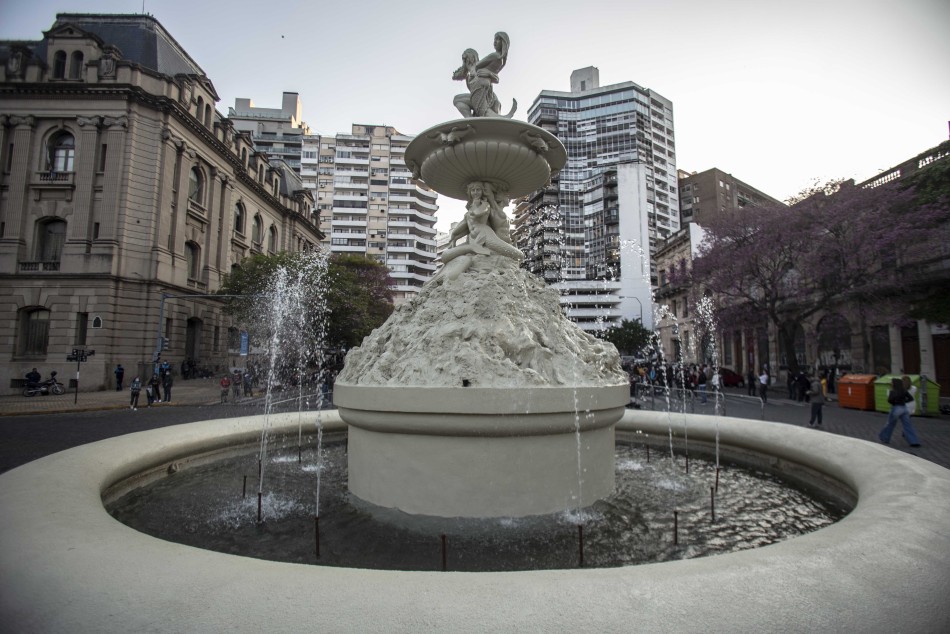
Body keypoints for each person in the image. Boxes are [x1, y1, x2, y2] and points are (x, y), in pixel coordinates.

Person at [452, 32, 516, 119]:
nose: (495, 42)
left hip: (480, 87)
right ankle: (471, 120)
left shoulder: (494, 56)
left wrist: (468, 68)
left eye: (498, 39)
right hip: (485, 89)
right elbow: (496, 79)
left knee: (457, 100)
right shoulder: (500, 61)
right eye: (495, 39)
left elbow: (477, 66)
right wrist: (489, 74)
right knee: (482, 112)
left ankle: (470, 120)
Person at [878, 377, 921, 447]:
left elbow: (890, 400)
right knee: (908, 425)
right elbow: (911, 398)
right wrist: (904, 401)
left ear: (894, 384)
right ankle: (914, 441)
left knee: (890, 424)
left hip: (896, 408)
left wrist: (895, 402)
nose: (891, 383)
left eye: (891, 382)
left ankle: (885, 438)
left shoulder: (893, 391)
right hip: (904, 408)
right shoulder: (904, 390)